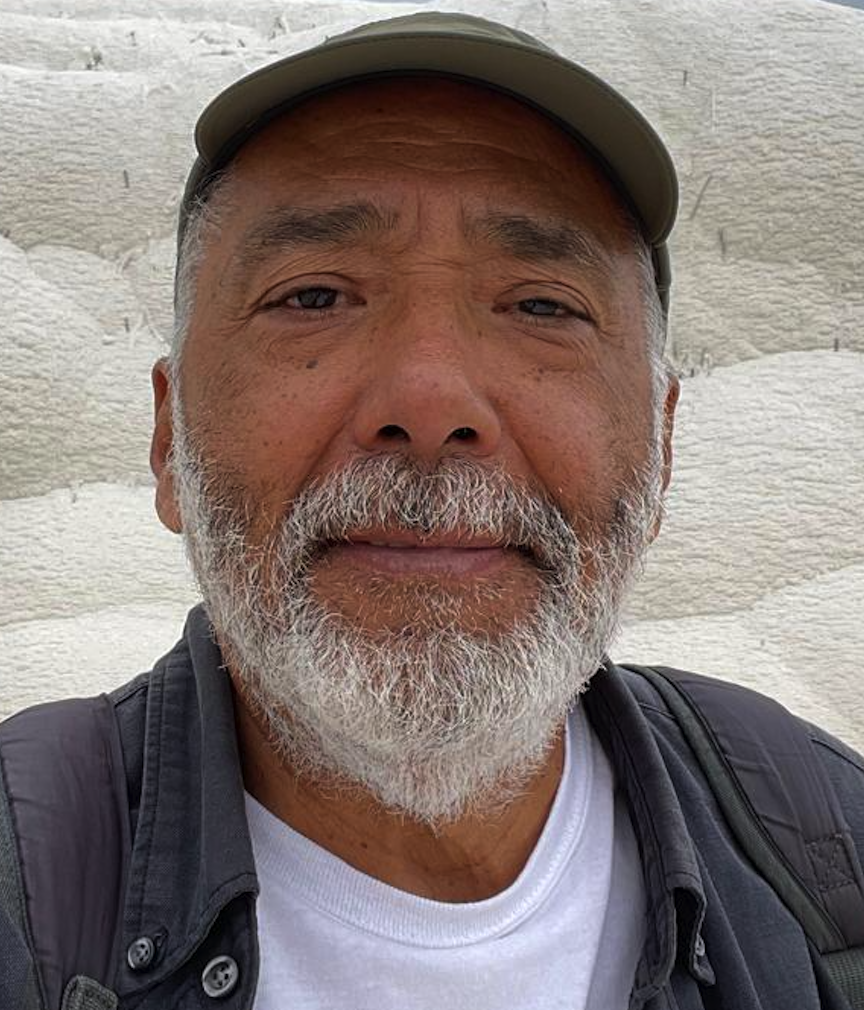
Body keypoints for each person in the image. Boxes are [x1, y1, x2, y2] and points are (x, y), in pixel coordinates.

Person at [1, 12, 863, 1010]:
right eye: (314, 295)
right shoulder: (27, 882)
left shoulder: (826, 842)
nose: (428, 399)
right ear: (168, 438)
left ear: (662, 446)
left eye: (542, 304)